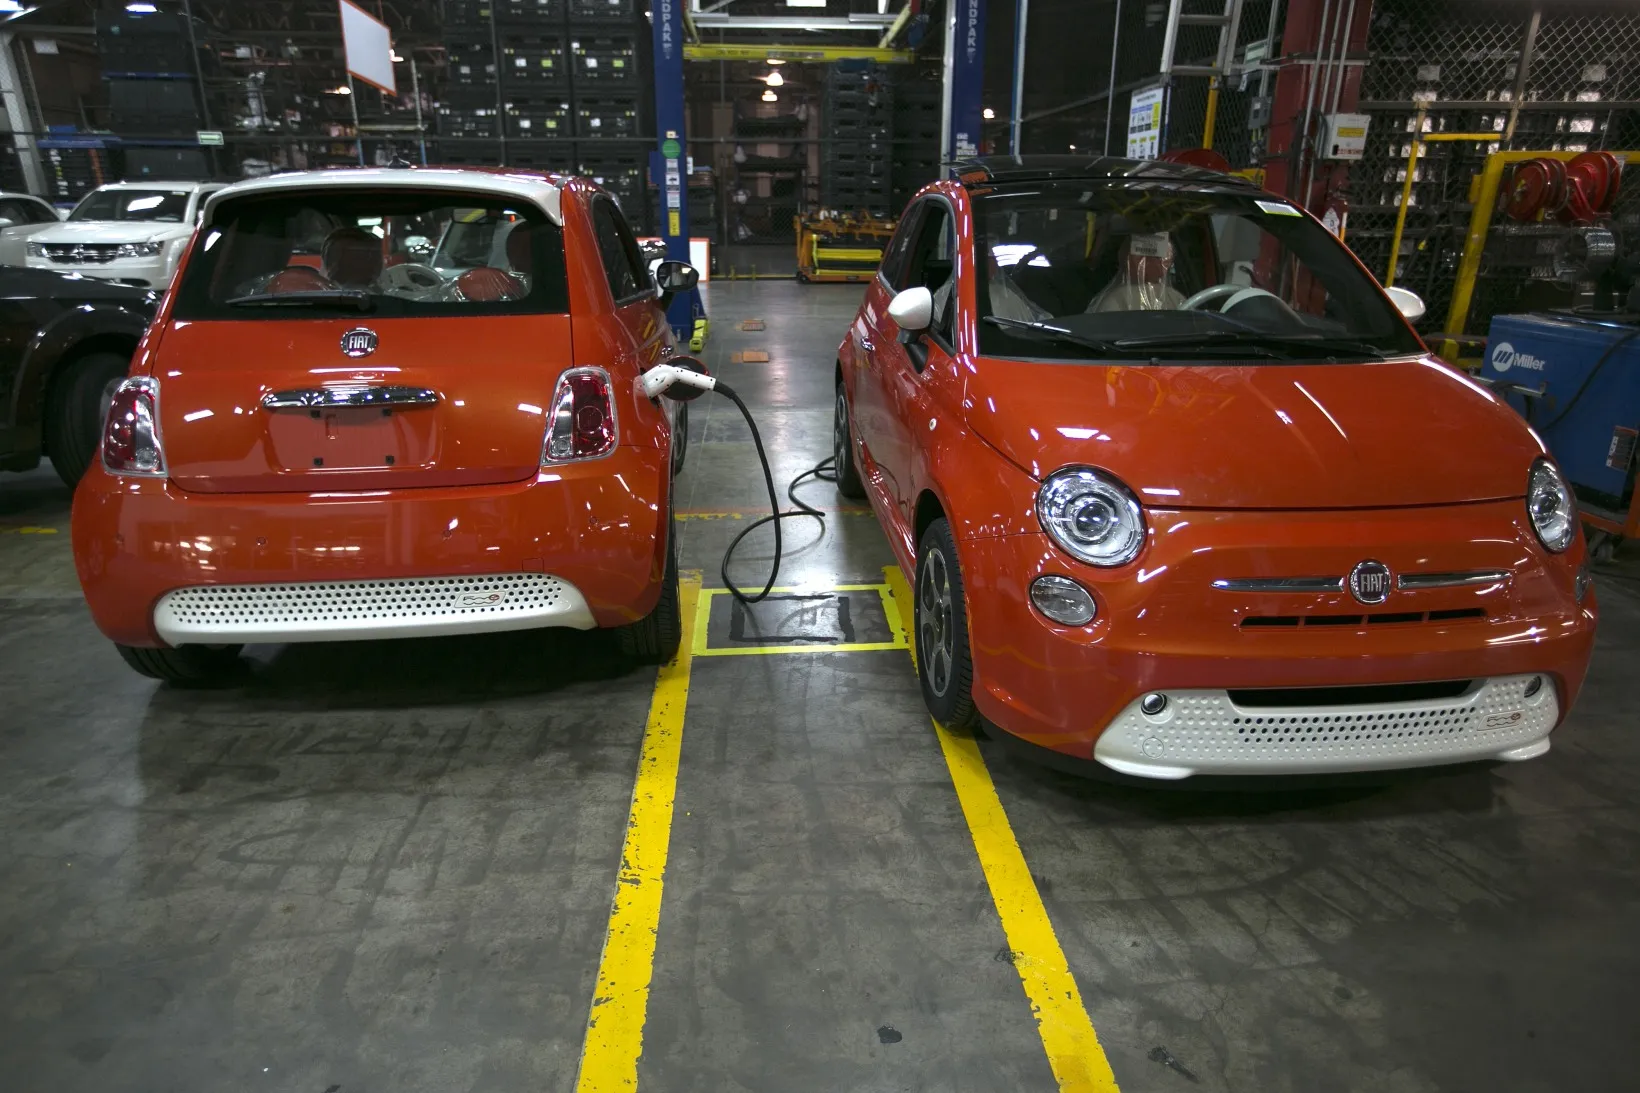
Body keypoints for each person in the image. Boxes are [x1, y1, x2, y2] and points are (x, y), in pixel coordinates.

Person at [1086, 233, 1186, 312]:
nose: (1149, 262)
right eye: (1143, 258)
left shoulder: (1112, 300)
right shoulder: (1178, 300)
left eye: (1157, 258)